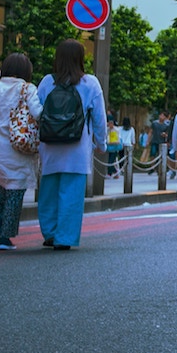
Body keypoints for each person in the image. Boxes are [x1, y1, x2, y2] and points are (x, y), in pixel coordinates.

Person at [37, 39, 109, 250]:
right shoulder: (90, 83)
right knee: (71, 194)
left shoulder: (47, 82)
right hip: (77, 147)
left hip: (49, 146)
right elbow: (99, 118)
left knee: (49, 190)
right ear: (80, 58)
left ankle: (49, 232)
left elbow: (37, 113)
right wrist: (101, 143)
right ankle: (64, 238)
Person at [0, 55, 42, 250]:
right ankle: (5, 238)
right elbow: (38, 112)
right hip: (17, 152)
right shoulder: (28, 88)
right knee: (14, 194)